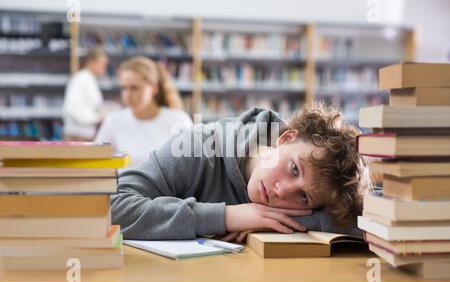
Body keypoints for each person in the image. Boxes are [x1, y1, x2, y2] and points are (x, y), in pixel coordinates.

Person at [111, 102, 372, 242]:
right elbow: (112, 206)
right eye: (294, 169)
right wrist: (227, 216)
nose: (282, 191)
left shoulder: (312, 193)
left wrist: (271, 222)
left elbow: (374, 220)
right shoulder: (197, 146)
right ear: (284, 139)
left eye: (303, 197)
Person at [95, 57, 193, 169]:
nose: (127, 94)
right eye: (123, 88)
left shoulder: (178, 120)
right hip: (124, 185)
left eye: (134, 88)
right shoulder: (114, 120)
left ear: (154, 88)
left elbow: (192, 167)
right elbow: (97, 162)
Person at [63, 47, 109, 141]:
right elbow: (72, 108)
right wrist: (97, 118)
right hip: (77, 135)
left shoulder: (90, 79)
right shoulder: (80, 79)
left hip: (86, 134)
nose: (104, 68)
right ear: (91, 62)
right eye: (102, 64)